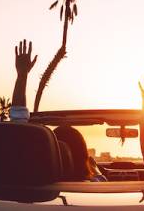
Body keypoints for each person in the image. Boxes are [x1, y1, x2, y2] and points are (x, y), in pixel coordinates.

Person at [8, 40, 105, 181]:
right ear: (83, 156)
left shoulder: (29, 181)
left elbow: (18, 124)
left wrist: (22, 75)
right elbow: (18, 120)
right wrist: (94, 169)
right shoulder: (97, 187)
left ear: (48, 151)